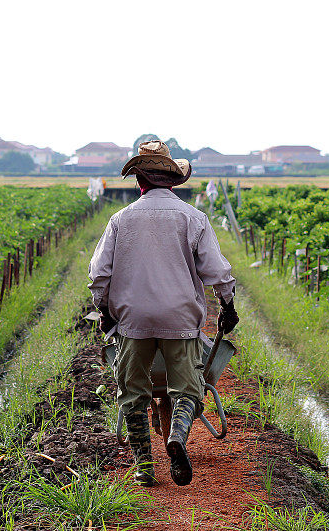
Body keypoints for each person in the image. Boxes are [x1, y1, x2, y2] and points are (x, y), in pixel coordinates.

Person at [88, 140, 239, 487]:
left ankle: (144, 467)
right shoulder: (193, 218)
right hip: (180, 320)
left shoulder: (120, 219)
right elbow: (218, 273)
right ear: (172, 182)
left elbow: (99, 275)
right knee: (188, 389)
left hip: (133, 321)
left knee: (133, 393)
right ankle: (177, 436)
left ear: (139, 180)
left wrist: (106, 313)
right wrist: (227, 306)